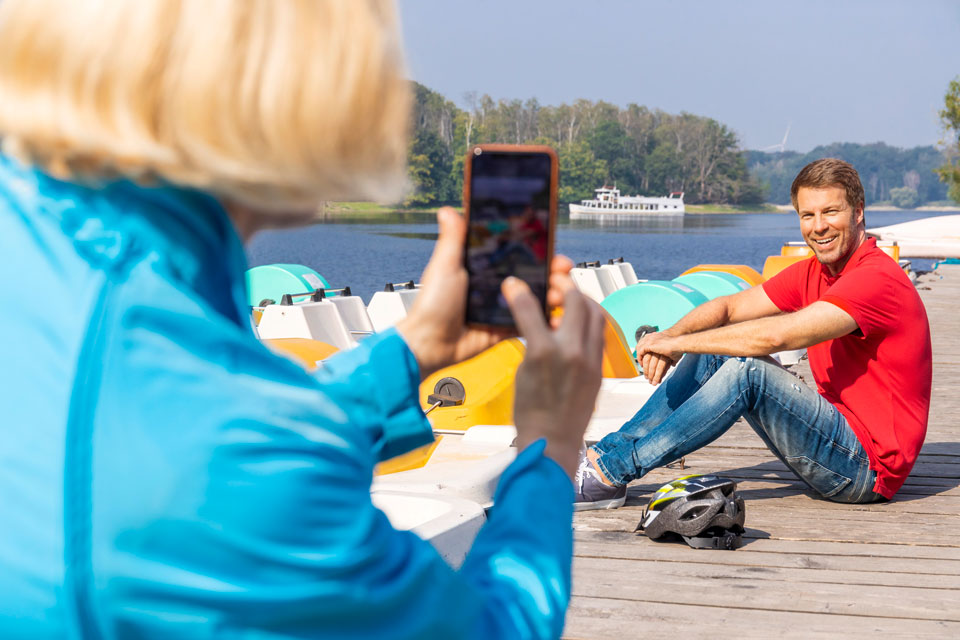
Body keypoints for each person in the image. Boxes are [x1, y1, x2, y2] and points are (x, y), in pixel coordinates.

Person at [0, 1, 606, 638]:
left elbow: (157, 426)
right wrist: (549, 446)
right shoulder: (259, 457)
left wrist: (412, 349)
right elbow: (497, 627)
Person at [574, 158, 932, 510]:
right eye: (808, 216)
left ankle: (610, 473)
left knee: (749, 372)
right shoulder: (813, 272)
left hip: (866, 471)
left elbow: (778, 338)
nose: (819, 226)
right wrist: (669, 335)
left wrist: (675, 344)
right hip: (835, 435)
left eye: (830, 212)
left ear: (858, 212)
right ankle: (604, 455)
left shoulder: (875, 279)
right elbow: (728, 308)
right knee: (717, 347)